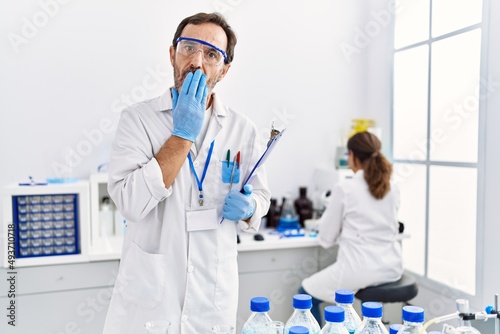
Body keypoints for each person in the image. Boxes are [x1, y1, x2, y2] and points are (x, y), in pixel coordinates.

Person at [103, 12, 271, 334]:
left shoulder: (242, 128)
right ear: (172, 54)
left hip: (212, 295)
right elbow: (130, 203)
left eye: (211, 54)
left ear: (224, 70)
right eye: (189, 48)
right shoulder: (138, 120)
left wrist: (252, 208)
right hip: (151, 298)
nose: (197, 61)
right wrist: (181, 135)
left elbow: (261, 195)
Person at [300, 131, 403, 324]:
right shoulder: (392, 187)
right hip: (391, 267)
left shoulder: (345, 188)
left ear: (353, 155)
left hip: (358, 270)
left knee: (304, 294)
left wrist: (342, 234)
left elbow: (326, 238)